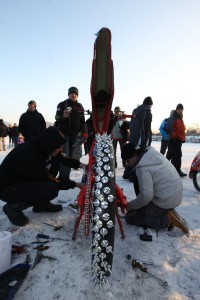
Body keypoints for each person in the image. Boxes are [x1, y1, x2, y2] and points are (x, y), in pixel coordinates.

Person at [0, 127, 85, 226]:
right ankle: (13, 207)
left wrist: (81, 165)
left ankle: (41, 204)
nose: (61, 149)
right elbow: (52, 180)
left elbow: (62, 157)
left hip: (22, 180)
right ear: (50, 145)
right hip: (8, 188)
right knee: (51, 188)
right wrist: (76, 184)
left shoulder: (43, 145)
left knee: (55, 162)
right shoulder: (31, 157)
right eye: (59, 147)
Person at [121, 143, 189, 234]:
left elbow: (146, 197)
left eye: (128, 161)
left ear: (134, 155)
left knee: (130, 217)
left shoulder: (142, 167)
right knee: (136, 209)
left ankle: (166, 219)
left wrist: (130, 206)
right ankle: (167, 211)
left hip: (165, 200)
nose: (128, 164)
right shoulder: (150, 155)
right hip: (173, 195)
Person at [54, 87, 88, 180]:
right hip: (63, 134)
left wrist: (85, 132)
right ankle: (63, 177)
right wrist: (63, 116)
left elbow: (83, 121)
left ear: (77, 96)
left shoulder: (80, 106)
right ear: (68, 95)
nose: (73, 95)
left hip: (75, 135)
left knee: (71, 156)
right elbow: (56, 117)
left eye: (75, 94)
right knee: (65, 155)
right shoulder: (62, 104)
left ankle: (66, 176)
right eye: (71, 93)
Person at [123, 96, 153, 181]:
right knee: (139, 158)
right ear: (150, 105)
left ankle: (127, 173)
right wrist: (144, 143)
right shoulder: (146, 112)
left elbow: (132, 125)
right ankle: (133, 176)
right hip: (140, 140)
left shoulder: (135, 111)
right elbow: (145, 129)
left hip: (133, 138)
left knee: (132, 156)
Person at [166, 103, 187, 177]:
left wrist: (183, 138)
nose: (180, 111)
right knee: (176, 155)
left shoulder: (180, 118)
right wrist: (174, 136)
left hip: (179, 140)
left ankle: (176, 170)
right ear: (176, 109)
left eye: (181, 109)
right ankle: (175, 171)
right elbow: (168, 127)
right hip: (174, 140)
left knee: (178, 155)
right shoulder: (173, 117)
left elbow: (181, 130)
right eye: (179, 109)